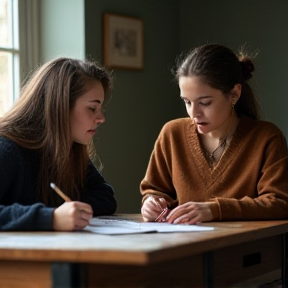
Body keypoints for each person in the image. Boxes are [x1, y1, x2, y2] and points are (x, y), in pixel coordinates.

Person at [140, 43, 288, 224]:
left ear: (234, 94)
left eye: (205, 103)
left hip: (244, 249)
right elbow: (154, 189)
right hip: (182, 246)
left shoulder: (267, 138)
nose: (194, 113)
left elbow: (279, 202)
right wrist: (151, 203)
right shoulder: (172, 133)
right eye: (187, 102)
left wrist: (215, 210)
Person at [0, 57, 117, 231]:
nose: (101, 119)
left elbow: (105, 197)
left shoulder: (70, 149)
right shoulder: (7, 149)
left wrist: (70, 212)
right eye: (93, 108)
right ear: (60, 106)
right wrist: (50, 217)